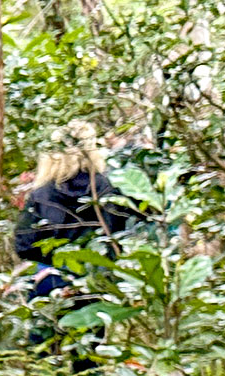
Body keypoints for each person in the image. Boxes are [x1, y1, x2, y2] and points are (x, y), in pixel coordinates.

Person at [15, 121, 143, 297]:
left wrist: (57, 262)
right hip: (99, 280)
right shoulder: (108, 188)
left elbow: (24, 245)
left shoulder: (42, 195)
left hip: (52, 280)